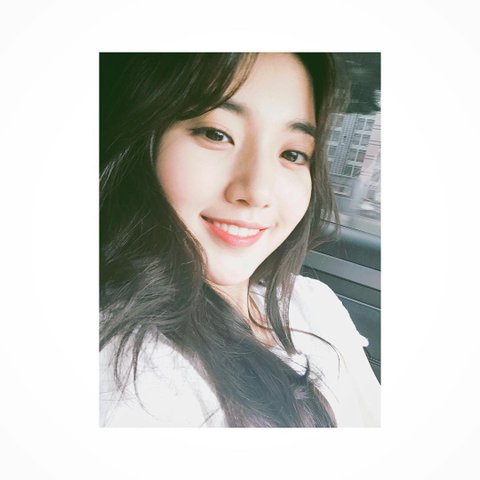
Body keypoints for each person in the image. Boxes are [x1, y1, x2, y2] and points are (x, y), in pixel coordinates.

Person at [99, 52, 380, 427]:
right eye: (216, 134)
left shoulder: (313, 301)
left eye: (293, 153)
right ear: (143, 140)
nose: (258, 191)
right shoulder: (129, 371)